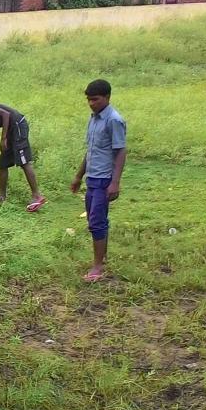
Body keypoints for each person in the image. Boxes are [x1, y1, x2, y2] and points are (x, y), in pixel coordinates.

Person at [70, 79, 128, 283]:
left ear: (107, 97)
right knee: (97, 220)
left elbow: (120, 151)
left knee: (96, 222)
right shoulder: (94, 119)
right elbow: (91, 151)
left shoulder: (114, 120)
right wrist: (79, 176)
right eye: (88, 99)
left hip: (104, 179)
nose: (91, 103)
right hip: (92, 177)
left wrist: (115, 182)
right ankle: (102, 257)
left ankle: (97, 267)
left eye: (95, 99)